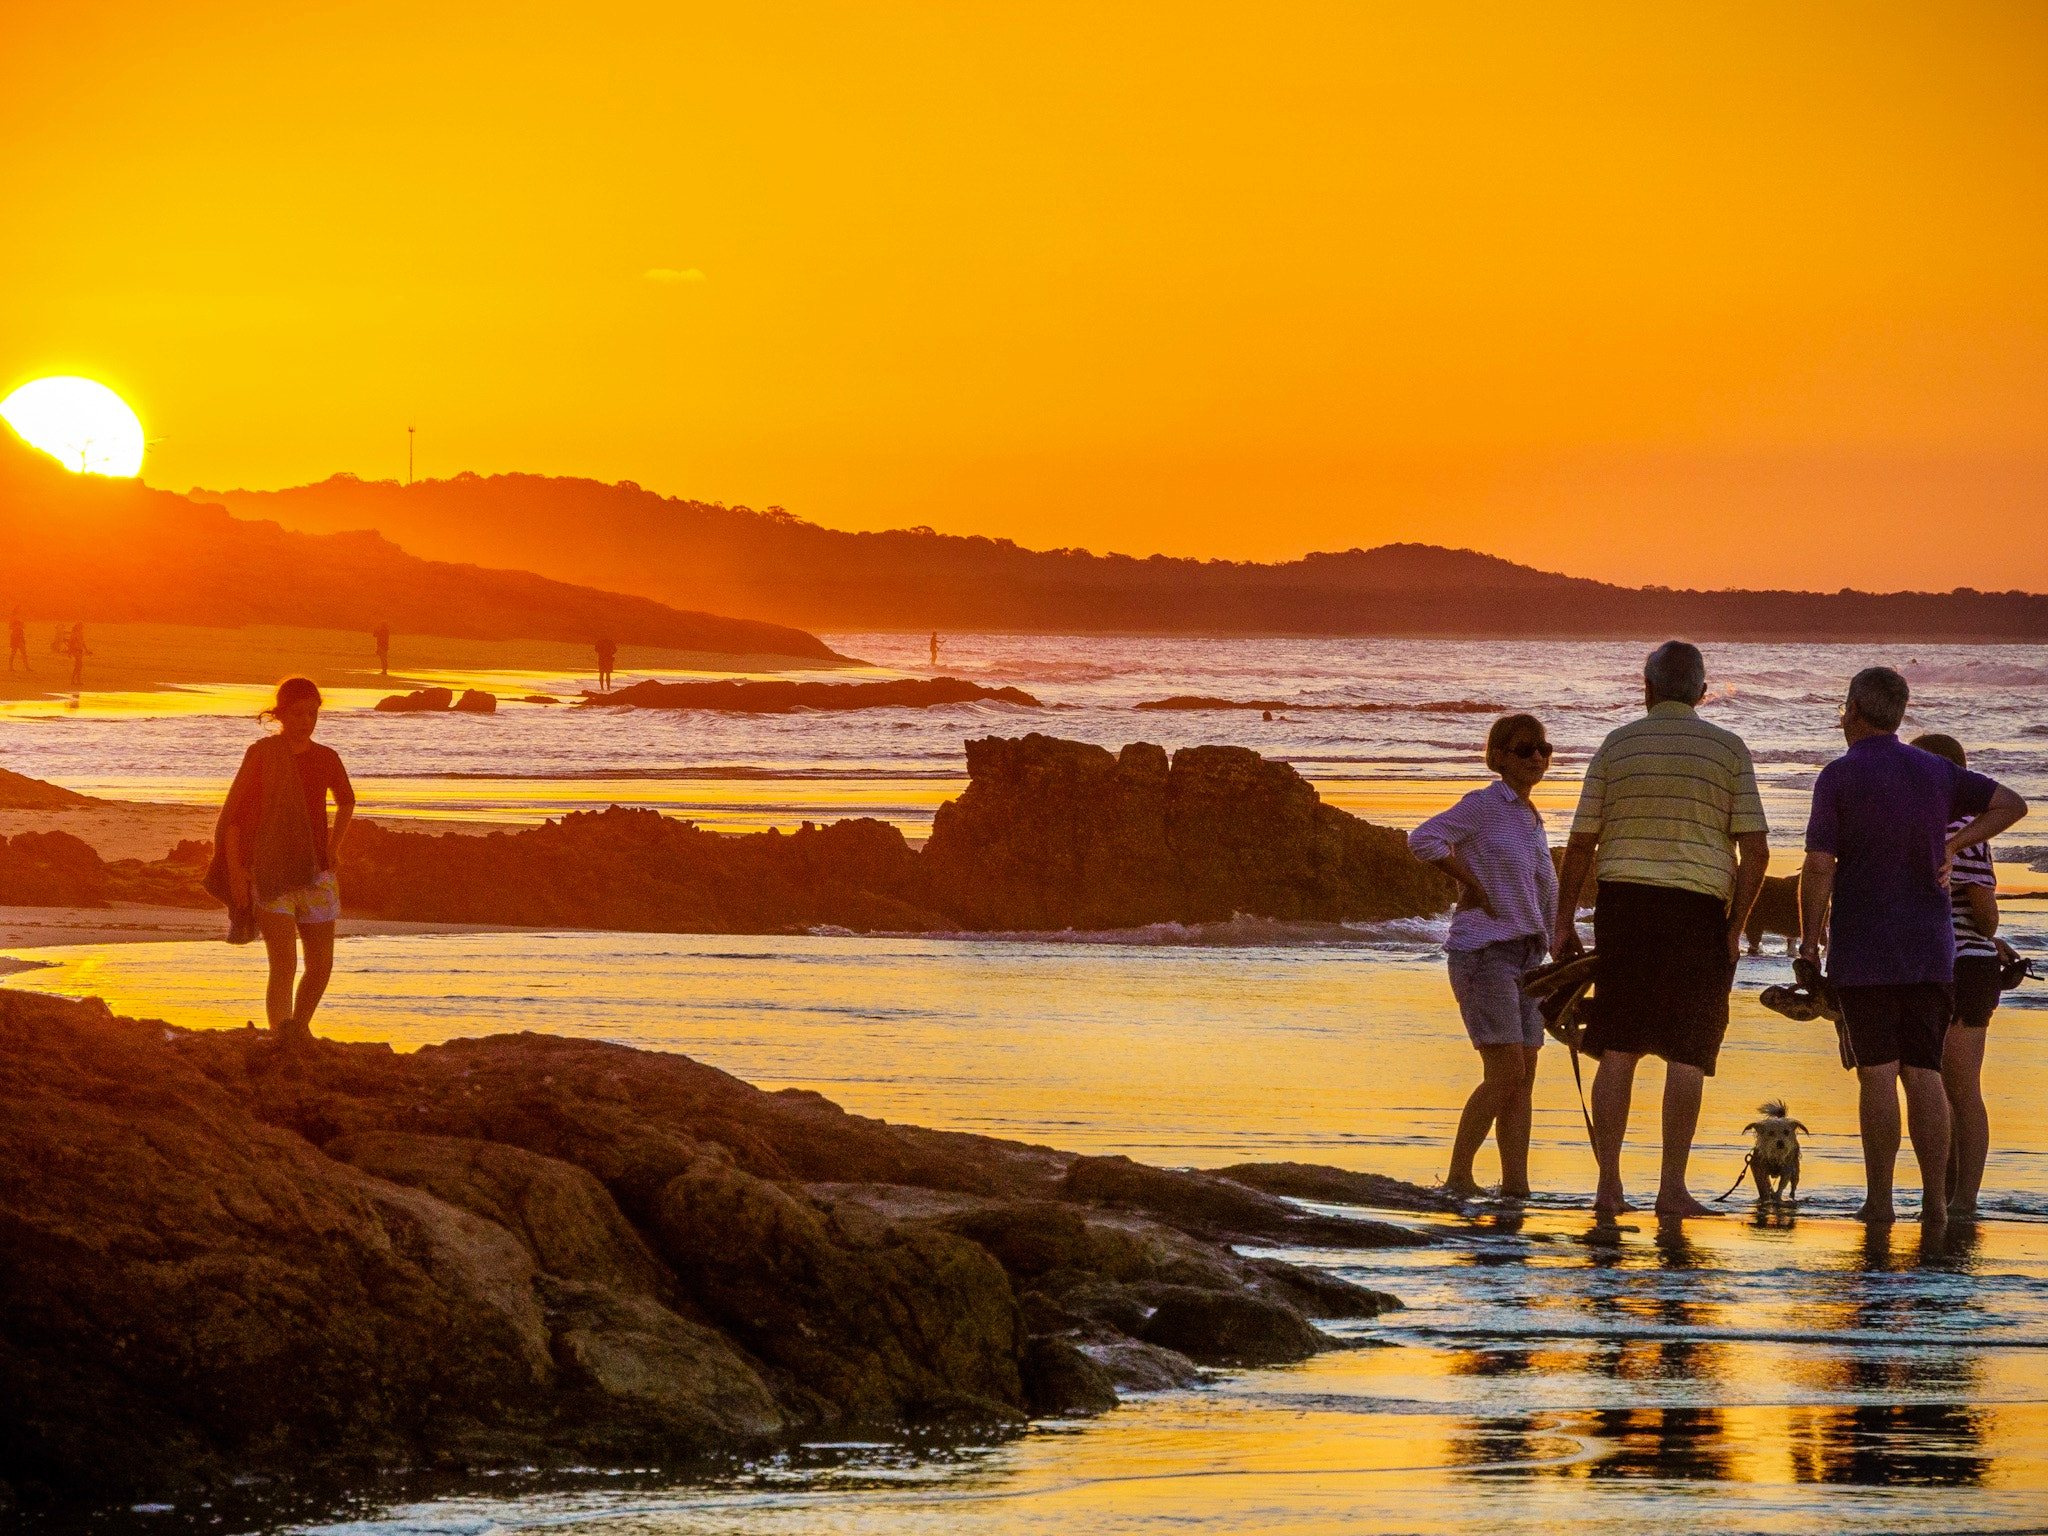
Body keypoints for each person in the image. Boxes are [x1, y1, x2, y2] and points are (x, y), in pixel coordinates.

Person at [1798, 671, 2027, 1228]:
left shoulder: (1838, 776)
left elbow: (1819, 864)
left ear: (1853, 710)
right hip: (1931, 949)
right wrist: (1952, 843)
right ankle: (1933, 1203)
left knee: (1877, 1073)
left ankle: (1880, 1202)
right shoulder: (1937, 770)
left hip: (1865, 947)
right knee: (1925, 1073)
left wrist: (1809, 939)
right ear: (1900, 714)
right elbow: (2011, 805)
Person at [1554, 641, 1770, 1219]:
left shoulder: (1616, 744)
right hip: (1698, 909)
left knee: (1617, 1047)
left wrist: (1562, 921)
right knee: (1687, 1053)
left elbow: (1581, 842)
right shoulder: (1728, 749)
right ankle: (1671, 1188)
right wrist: (1735, 926)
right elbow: (1755, 850)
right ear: (1702, 692)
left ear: (1645, 688)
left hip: (1624, 906)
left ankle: (1609, 1187)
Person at [1409, 713, 1560, 1198]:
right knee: (1506, 1072)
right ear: (1496, 757)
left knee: (1524, 1078)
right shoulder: (1483, 804)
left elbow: (1543, 894)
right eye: (1523, 749)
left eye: (1542, 748)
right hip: (1484, 952)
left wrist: (1561, 947)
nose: (1536, 756)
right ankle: (1457, 1178)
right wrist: (1470, 882)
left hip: (1530, 957)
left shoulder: (1531, 818)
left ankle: (1516, 1186)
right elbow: (1422, 839)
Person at [206, 677, 357, 1044]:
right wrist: (237, 870)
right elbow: (236, 817)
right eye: (297, 713)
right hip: (270, 872)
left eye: (312, 713)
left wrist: (334, 846)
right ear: (281, 714)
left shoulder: (327, 758)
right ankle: (280, 1037)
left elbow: (347, 800)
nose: (306, 720)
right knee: (284, 965)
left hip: (316, 873)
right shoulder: (262, 754)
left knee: (321, 967)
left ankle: (297, 1031)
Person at [1909, 732, 2010, 1220]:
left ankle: (1946, 1195)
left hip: (1925, 964)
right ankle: (1962, 1199)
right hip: (1968, 962)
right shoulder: (1970, 828)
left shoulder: (1916, 823)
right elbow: (1986, 918)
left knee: (1935, 1086)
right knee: (1962, 1090)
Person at [6, 608, 28, 673]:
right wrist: (17, 626)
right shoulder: (13, 618)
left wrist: (21, 625)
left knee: (23, 652)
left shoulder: (20, 617)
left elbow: (23, 626)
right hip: (15, 636)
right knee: (14, 652)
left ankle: (27, 667)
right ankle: (10, 667)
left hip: (20, 635)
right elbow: (10, 627)